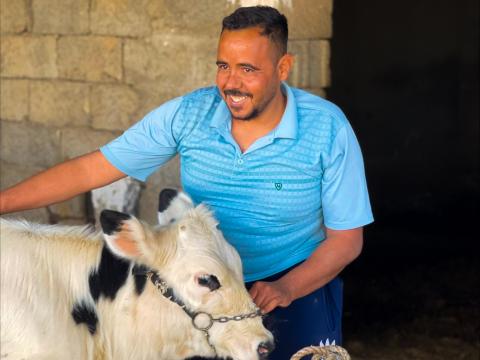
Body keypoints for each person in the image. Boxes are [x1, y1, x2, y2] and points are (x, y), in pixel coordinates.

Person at [0, 6, 373, 358]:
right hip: (199, 290)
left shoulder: (327, 128)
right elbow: (91, 170)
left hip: (292, 281)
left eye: (248, 69)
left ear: (284, 67)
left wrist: (285, 288)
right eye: (223, 66)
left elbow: (346, 240)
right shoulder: (190, 113)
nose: (231, 83)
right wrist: (2, 203)